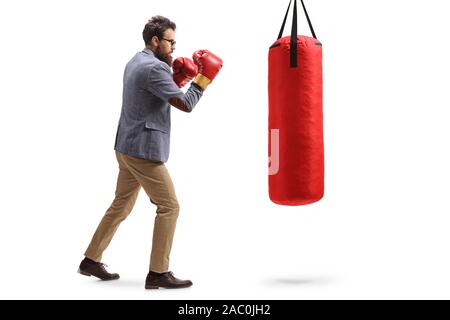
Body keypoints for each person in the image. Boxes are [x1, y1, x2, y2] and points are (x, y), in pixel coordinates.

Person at [77, 15, 222, 289]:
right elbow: (187, 104)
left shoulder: (137, 60)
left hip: (125, 147)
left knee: (121, 204)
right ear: (155, 41)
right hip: (143, 150)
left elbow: (154, 94)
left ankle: (91, 259)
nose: (174, 48)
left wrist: (177, 77)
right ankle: (158, 272)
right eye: (170, 42)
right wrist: (203, 78)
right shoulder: (155, 69)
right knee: (169, 206)